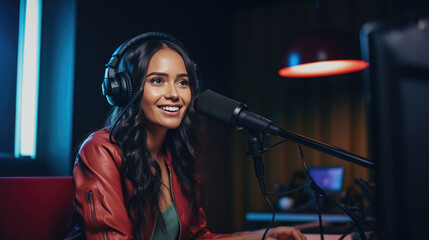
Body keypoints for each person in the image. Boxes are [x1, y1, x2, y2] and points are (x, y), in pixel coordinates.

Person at [72, 32, 307, 240]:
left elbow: (197, 237)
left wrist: (260, 237)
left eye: (183, 82)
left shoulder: (177, 155)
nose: (174, 94)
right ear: (126, 89)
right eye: (157, 80)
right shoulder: (101, 150)